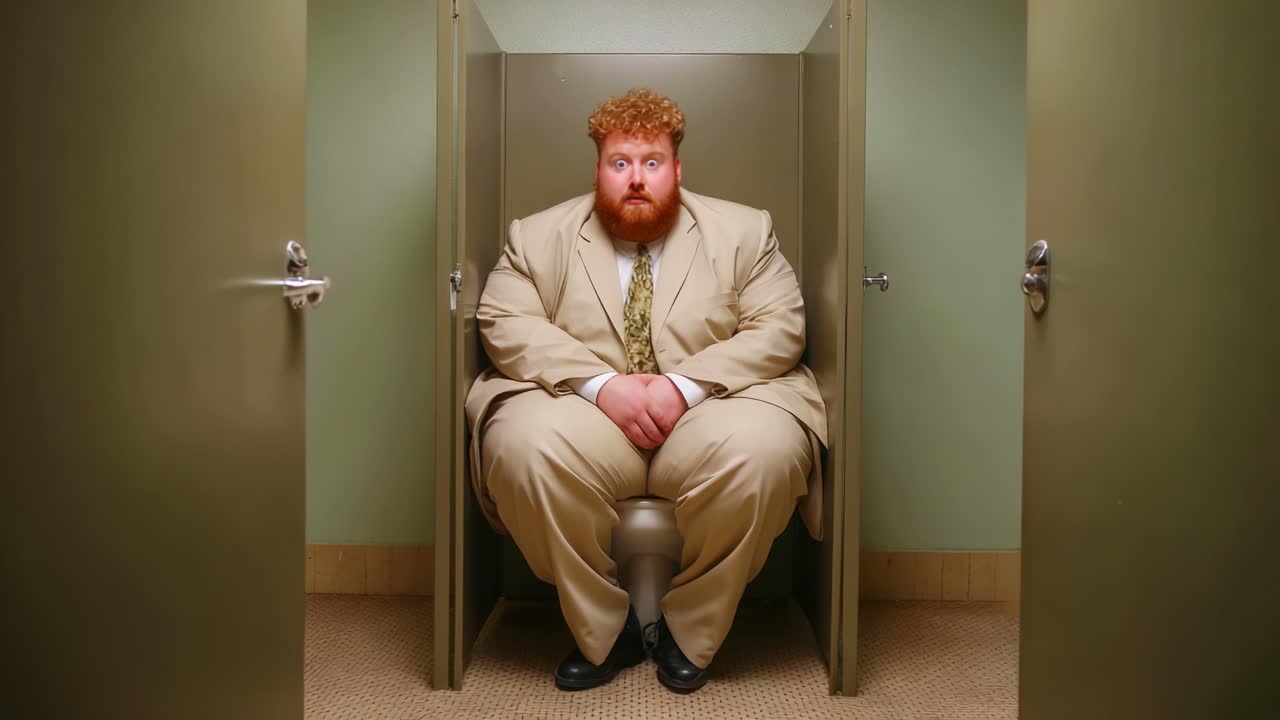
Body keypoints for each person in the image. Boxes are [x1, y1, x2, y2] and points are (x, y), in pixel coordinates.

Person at [464, 88, 828, 693]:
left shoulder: (745, 232)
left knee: (766, 450)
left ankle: (693, 628)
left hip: (709, 414)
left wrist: (681, 388)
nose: (637, 179)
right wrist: (603, 387)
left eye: (652, 162)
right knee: (520, 444)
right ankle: (608, 629)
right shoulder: (536, 236)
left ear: (677, 169)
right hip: (586, 420)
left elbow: (781, 325)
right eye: (621, 162)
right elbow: (505, 322)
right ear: (599, 167)